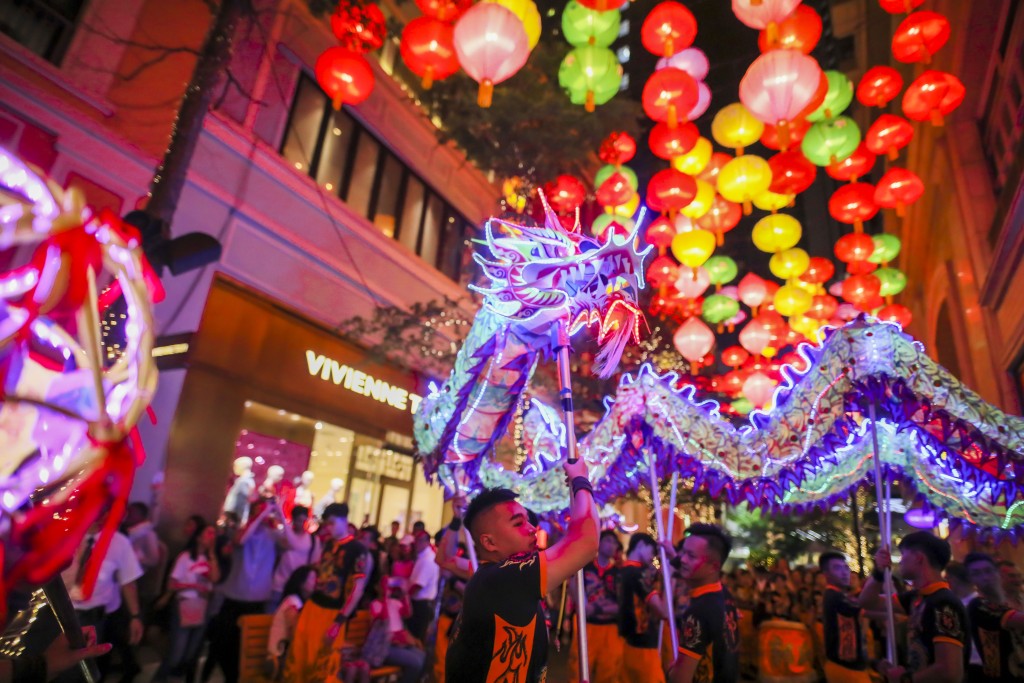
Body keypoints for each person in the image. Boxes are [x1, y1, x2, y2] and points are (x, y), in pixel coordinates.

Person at [446, 457, 599, 682]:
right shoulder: (502, 579)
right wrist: (580, 479)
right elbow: (586, 542)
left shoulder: (495, 578)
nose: (531, 530)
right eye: (518, 523)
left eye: (529, 522)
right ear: (489, 543)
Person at [861, 532, 967, 683]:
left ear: (918, 558)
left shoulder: (943, 602)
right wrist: (878, 573)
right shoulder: (917, 597)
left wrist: (905, 678)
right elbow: (867, 602)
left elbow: (949, 671)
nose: (901, 561)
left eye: (904, 555)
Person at [283, 502, 369, 682]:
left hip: (332, 614)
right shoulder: (328, 543)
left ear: (343, 521)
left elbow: (357, 589)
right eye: (326, 524)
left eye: (331, 523)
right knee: (299, 657)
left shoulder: (358, 550)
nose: (328, 528)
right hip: (312, 607)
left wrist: (339, 621)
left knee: (323, 666)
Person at [61, 513, 144, 682]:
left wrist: (135, 616)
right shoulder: (63, 536)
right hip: (60, 614)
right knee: (63, 669)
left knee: (93, 669)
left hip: (97, 617)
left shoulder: (118, 542)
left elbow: (128, 582)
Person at [205, 499, 280, 683]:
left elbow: (294, 543)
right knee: (220, 645)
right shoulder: (239, 532)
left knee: (245, 649)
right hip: (233, 601)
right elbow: (241, 540)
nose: (261, 515)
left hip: (256, 603)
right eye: (257, 511)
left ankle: (232, 678)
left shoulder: (273, 536)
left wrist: (278, 513)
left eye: (263, 512)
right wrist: (260, 514)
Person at [667, 523, 739, 683]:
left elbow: (680, 679)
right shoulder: (725, 595)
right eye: (683, 552)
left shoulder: (698, 612)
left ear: (713, 567)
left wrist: (673, 671)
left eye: (691, 556)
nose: (683, 559)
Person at [153, 524, 220, 682]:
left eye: (214, 534)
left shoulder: (210, 559)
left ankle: (172, 677)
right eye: (208, 533)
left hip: (203, 607)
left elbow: (215, 578)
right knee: (177, 652)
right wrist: (194, 586)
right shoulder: (185, 557)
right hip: (184, 604)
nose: (212, 537)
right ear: (198, 538)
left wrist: (211, 554)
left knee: (190, 653)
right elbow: (172, 583)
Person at [568, 529, 624, 683]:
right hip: (587, 626)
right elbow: (573, 585)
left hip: (610, 628)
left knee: (609, 671)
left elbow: (622, 603)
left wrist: (598, 609)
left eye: (614, 543)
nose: (611, 545)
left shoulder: (618, 573)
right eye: (607, 541)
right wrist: (582, 606)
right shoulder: (584, 568)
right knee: (579, 669)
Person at [963, 552, 1024, 682]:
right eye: (977, 574)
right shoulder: (977, 605)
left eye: (988, 571)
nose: (985, 577)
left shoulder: (1014, 600)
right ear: (971, 580)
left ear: (998, 574)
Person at [618, 532, 669, 683]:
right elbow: (662, 610)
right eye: (652, 551)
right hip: (644, 644)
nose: (652, 557)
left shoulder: (621, 571)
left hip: (627, 643)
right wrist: (667, 580)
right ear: (640, 545)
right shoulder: (638, 573)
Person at [818, 550, 870, 682]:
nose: (844, 572)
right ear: (826, 574)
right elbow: (867, 608)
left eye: (846, 567)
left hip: (850, 668)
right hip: (845, 669)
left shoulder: (842, 596)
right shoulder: (833, 596)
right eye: (837, 568)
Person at [369, 576, 426, 683]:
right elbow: (383, 620)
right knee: (416, 662)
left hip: (400, 643)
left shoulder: (394, 603)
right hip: (383, 647)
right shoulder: (375, 604)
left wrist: (405, 593)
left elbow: (408, 613)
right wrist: (385, 596)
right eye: (383, 585)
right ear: (377, 588)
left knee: (422, 656)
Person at [267, 565, 317, 680]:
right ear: (301, 583)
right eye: (312, 578)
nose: (316, 582)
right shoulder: (292, 602)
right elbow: (295, 633)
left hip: (289, 656)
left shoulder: (304, 604)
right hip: (277, 660)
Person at [270, 505, 321, 608]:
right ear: (293, 520)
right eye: (298, 520)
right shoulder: (283, 536)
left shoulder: (313, 540)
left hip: (299, 585)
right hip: (280, 584)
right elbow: (292, 542)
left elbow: (314, 563)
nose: (301, 524)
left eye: (304, 520)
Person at [406, 529, 439, 641]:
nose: (416, 544)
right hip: (419, 603)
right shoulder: (422, 556)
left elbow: (418, 585)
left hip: (421, 605)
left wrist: (405, 597)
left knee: (416, 638)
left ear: (426, 542)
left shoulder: (428, 559)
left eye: (419, 541)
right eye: (416, 540)